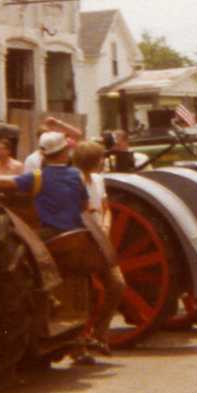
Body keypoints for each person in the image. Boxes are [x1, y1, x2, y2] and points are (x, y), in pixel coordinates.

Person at [0, 131, 118, 361]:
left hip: (51, 236)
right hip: (76, 236)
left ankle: (47, 295)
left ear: (44, 154)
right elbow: (84, 204)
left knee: (15, 242)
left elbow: (3, 183)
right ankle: (78, 341)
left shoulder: (38, 177)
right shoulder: (76, 175)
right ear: (65, 152)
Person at [72, 141, 126, 352]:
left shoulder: (97, 180)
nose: (103, 161)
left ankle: (99, 333)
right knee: (84, 293)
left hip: (100, 237)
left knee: (117, 285)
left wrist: (105, 225)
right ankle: (79, 344)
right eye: (100, 158)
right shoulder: (73, 180)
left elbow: (106, 208)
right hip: (83, 237)